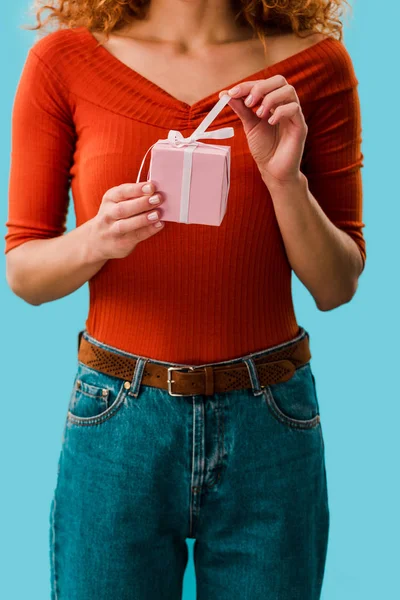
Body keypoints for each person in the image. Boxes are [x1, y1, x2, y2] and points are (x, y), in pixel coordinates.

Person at [4, 0, 366, 598]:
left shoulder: (316, 68)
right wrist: (96, 239)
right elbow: (24, 272)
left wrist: (285, 181)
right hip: (117, 420)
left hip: (271, 424)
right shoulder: (63, 62)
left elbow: (337, 285)